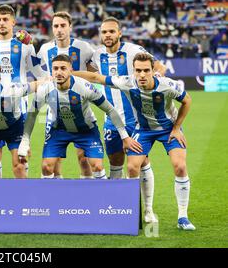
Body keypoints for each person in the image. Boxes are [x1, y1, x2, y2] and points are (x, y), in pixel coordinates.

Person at [73, 52, 195, 230]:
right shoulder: (127, 82)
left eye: (146, 70)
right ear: (134, 71)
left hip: (169, 130)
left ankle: (182, 217)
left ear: (154, 70)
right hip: (143, 130)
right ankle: (133, 212)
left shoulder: (167, 85)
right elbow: (95, 77)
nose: (142, 75)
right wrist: (70, 74)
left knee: (180, 166)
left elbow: (187, 100)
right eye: (138, 70)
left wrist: (177, 128)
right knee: (131, 167)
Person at [78, 16, 166, 223]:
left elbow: (159, 67)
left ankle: (148, 210)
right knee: (115, 163)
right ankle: (116, 208)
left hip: (135, 120)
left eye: (111, 31)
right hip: (112, 120)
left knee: (141, 162)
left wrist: (156, 81)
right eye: (104, 32)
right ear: (100, 35)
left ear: (119, 33)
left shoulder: (134, 51)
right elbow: (91, 75)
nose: (107, 35)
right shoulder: (97, 56)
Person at [18, 55, 142, 179]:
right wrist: (25, 140)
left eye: (63, 68)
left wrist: (124, 136)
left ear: (70, 70)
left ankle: (101, 196)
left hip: (86, 130)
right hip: (58, 130)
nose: (59, 72)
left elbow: (110, 110)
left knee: (97, 166)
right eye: (55, 69)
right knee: (46, 166)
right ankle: (50, 197)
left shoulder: (84, 87)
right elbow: (32, 115)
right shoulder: (44, 89)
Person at [0, 4, 47, 178]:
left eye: (5, 20)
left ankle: (23, 195)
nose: (2, 23)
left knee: (20, 159)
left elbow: (40, 72)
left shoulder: (25, 46)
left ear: (13, 22)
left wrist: (34, 46)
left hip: (19, 107)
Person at [37, 11, 95, 179]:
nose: (59, 29)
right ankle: (56, 199)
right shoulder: (45, 49)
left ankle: (87, 197)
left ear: (70, 27)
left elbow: (95, 70)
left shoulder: (83, 48)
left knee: (83, 158)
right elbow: (39, 73)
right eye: (56, 26)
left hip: (80, 110)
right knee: (53, 163)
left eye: (63, 25)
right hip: (54, 111)